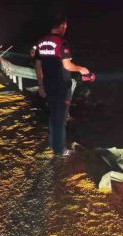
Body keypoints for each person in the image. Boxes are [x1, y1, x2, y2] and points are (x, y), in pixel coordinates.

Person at [34, 14, 90, 157]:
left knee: (54, 115)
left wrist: (40, 85)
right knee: (61, 117)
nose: (65, 29)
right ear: (62, 26)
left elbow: (38, 65)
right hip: (61, 85)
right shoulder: (62, 42)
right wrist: (81, 69)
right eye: (65, 27)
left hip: (48, 84)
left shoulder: (40, 42)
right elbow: (67, 65)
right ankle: (60, 150)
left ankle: (54, 144)